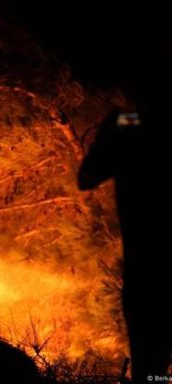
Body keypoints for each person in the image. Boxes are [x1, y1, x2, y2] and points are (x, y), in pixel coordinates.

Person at [78, 104, 170, 383]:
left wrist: (112, 129)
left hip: (146, 272)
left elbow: (87, 177)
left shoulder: (131, 126)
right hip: (147, 271)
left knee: (151, 370)